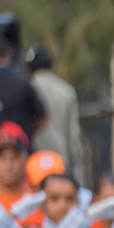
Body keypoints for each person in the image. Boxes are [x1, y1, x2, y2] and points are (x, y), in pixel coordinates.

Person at [25, 46, 80, 180]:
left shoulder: (27, 87)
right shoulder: (66, 90)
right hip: (60, 158)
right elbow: (74, 134)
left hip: (33, 160)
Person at [0, 36, 45, 147]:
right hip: (19, 148)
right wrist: (27, 134)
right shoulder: (23, 83)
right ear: (9, 54)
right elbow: (43, 117)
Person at [0, 123, 42, 227]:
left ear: (26, 159)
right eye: (2, 158)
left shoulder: (40, 200)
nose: (8, 164)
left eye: (15, 157)